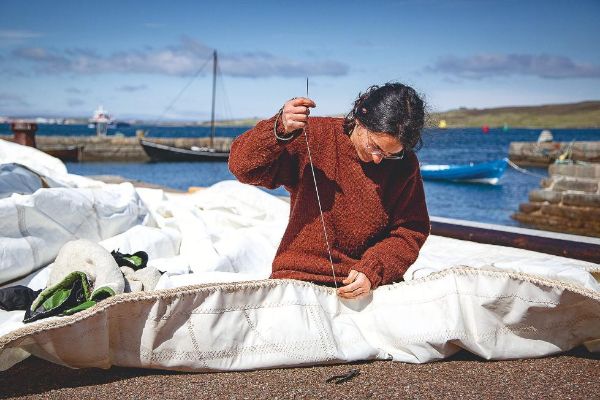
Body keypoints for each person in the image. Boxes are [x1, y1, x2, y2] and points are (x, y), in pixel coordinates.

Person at [228, 82, 430, 299]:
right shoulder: (312, 136)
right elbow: (242, 168)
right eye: (375, 146)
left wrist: (375, 269)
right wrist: (278, 128)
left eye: (392, 153)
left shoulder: (404, 164)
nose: (378, 159)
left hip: (368, 286)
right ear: (360, 120)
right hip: (298, 280)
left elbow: (410, 230)